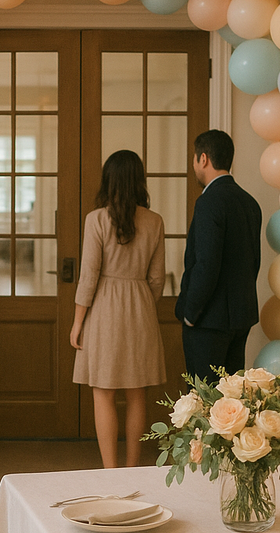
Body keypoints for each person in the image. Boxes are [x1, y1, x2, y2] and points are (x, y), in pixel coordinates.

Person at [70, 150, 166, 468]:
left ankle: (110, 471)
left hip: (102, 311)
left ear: (108, 179)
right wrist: (141, 306)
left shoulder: (96, 219)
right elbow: (156, 279)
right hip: (141, 307)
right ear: (140, 180)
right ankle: (133, 468)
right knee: (137, 393)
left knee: (104, 392)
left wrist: (77, 322)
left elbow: (89, 276)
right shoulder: (154, 221)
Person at [175, 129, 262, 384]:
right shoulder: (249, 202)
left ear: (203, 159)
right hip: (241, 316)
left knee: (205, 402)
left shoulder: (209, 202)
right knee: (232, 403)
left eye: (194, 158)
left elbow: (206, 265)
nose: (194, 164)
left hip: (208, 321)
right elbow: (252, 263)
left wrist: (191, 313)